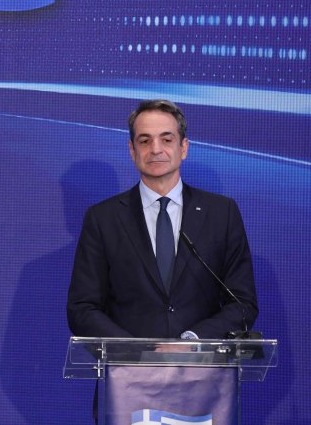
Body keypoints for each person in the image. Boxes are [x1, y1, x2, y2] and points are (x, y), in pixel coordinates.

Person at [67, 99, 257, 340]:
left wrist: (191, 341)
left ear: (184, 147)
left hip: (204, 368)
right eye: (144, 141)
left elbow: (243, 303)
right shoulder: (103, 219)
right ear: (132, 150)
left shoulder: (222, 213)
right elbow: (82, 309)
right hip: (130, 370)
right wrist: (135, 351)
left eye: (166, 140)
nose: (156, 149)